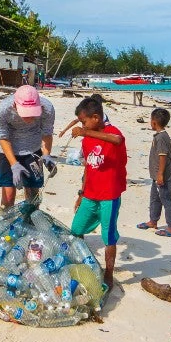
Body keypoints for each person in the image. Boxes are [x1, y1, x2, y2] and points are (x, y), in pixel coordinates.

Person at [69, 96, 126, 288]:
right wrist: (81, 193)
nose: (82, 125)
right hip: (90, 195)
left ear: (96, 117)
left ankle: (108, 273)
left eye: (84, 121)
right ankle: (83, 263)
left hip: (109, 196)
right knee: (76, 230)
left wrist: (86, 132)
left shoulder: (112, 133)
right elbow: (87, 168)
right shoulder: (87, 140)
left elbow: (116, 140)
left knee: (108, 236)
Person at [0, 85, 56, 207]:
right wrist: (14, 164)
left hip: (33, 148)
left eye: (33, 113)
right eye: (26, 113)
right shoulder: (2, 110)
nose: (30, 118)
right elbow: (3, 137)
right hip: (6, 149)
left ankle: (30, 221)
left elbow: (47, 132)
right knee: (9, 195)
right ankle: (7, 221)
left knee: (33, 192)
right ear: (15, 105)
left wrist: (47, 155)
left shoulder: (47, 108)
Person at [138, 108, 171, 236]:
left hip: (162, 176)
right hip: (156, 176)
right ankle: (153, 221)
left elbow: (163, 155)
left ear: (154, 122)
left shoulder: (161, 137)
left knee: (166, 200)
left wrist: (160, 174)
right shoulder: (160, 136)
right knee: (155, 198)